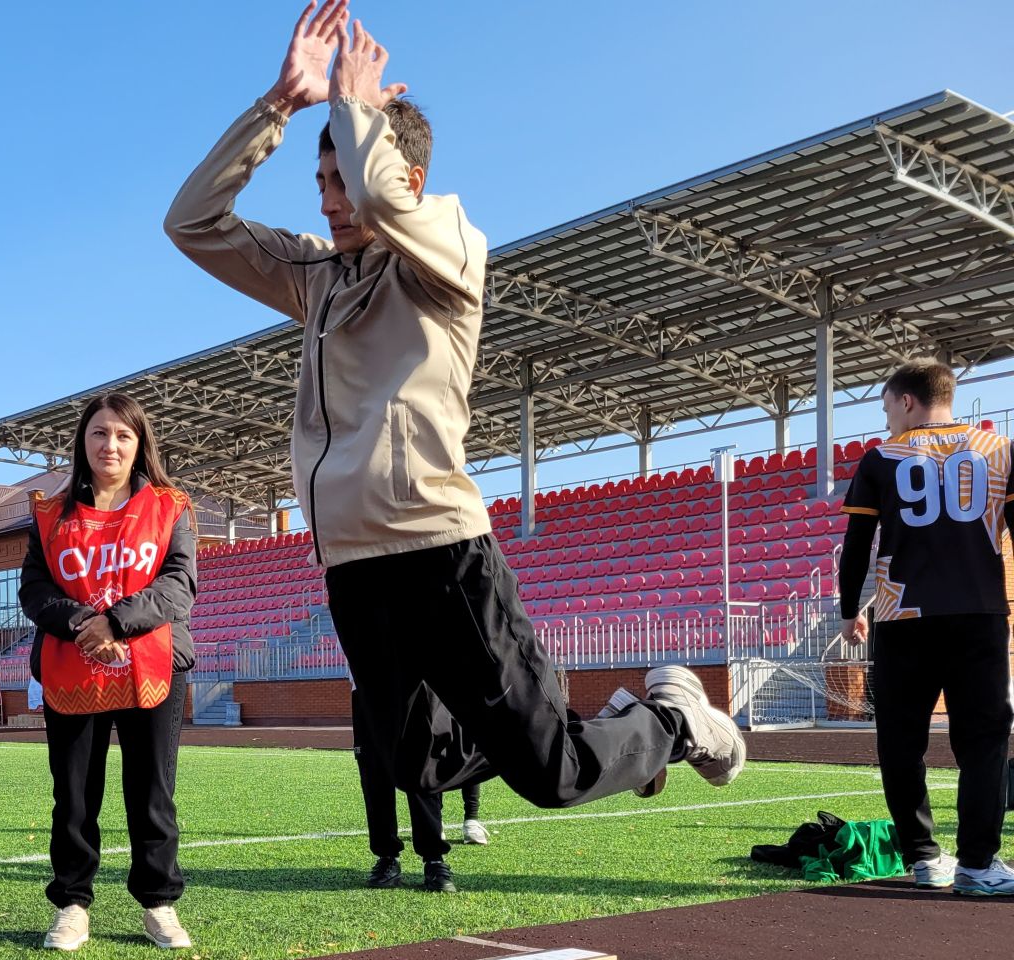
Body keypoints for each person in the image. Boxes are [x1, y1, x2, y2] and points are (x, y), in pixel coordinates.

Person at [163, 3, 743, 815]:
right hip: (352, 567)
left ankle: (676, 722)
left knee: (552, 776)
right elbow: (189, 222)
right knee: (414, 762)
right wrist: (280, 106)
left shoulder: (448, 254)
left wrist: (355, 109)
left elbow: (384, 198)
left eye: (343, 181)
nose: (330, 202)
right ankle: (593, 727)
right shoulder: (314, 278)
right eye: (320, 183)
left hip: (440, 549)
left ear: (408, 178)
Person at [19, 392, 198, 952]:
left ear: (139, 443)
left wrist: (117, 624)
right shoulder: (50, 514)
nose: (110, 445)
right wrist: (83, 625)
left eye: (123, 434)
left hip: (151, 666)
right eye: (99, 433)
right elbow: (33, 589)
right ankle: (73, 904)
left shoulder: (171, 507)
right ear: (83, 442)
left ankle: (159, 903)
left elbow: (178, 584)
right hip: (72, 667)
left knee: (152, 792)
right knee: (74, 796)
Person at [839, 359, 1014, 897]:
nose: (887, 415)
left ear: (907, 400)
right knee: (984, 740)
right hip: (979, 612)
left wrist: (850, 610)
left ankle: (923, 857)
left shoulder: (881, 458)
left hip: (903, 616)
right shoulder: (1000, 450)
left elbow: (856, 546)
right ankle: (979, 864)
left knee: (901, 738)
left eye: (887, 404)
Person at [353, 688, 484, 893]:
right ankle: (387, 857)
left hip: (419, 685)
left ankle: (434, 859)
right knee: (374, 771)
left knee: (424, 765)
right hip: (368, 686)